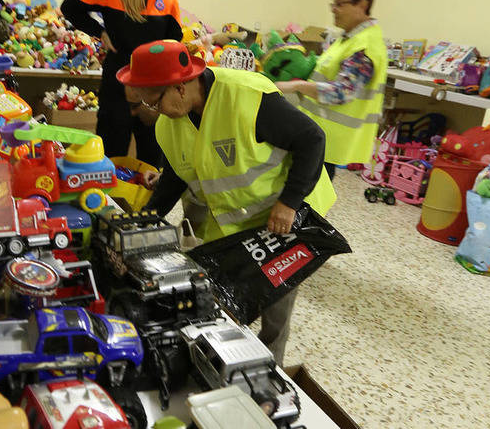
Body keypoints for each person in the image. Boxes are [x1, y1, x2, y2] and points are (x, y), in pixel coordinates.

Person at [117, 40, 336, 365]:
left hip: (288, 212)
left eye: (155, 101)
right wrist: (144, 220)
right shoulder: (170, 125)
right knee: (223, 295)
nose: (155, 111)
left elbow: (312, 139)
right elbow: (177, 176)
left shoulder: (247, 96)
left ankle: (271, 367)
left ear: (179, 86)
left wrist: (289, 202)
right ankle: (228, 360)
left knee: (276, 301)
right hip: (233, 219)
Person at [61, 0, 182, 166]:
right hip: (116, 85)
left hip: (152, 89)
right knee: (108, 155)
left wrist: (167, 91)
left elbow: (174, 43)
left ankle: (148, 204)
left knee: (152, 156)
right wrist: (99, 32)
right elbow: (69, 6)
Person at [277, 0, 388, 180]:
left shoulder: (364, 46)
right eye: (333, 4)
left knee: (306, 205)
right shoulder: (348, 38)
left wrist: (297, 86)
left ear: (362, 5)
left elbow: (341, 92)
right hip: (316, 136)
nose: (334, 9)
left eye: (340, 4)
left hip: (328, 143)